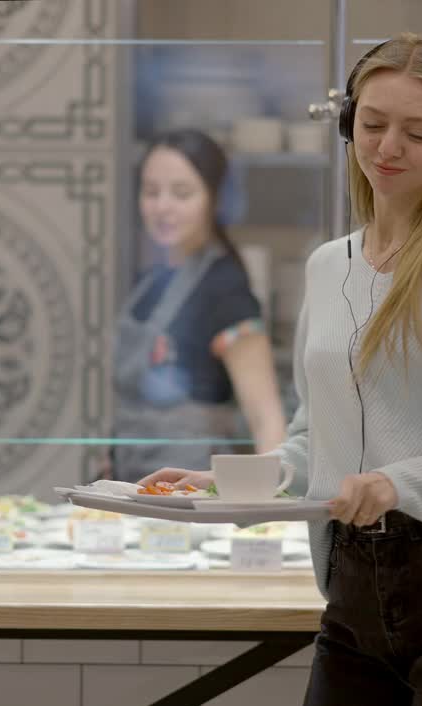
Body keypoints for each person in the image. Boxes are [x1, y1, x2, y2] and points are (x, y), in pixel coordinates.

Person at [140, 33, 422, 706]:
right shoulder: (327, 266)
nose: (388, 147)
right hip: (355, 592)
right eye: (371, 124)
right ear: (347, 125)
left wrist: (399, 483)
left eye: (417, 132)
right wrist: (245, 480)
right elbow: (319, 433)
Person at [107, 129, 288, 484]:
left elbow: (265, 416)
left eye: (182, 193)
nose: (162, 207)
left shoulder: (226, 289)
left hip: (188, 501)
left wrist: (274, 503)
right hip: (131, 487)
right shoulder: (152, 281)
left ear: (215, 199)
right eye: (151, 192)